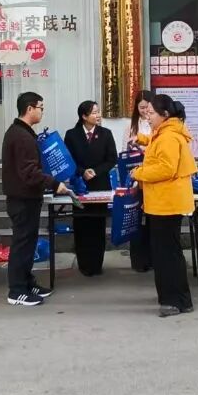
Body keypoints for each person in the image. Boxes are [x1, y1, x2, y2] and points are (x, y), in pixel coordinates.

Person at [130, 94, 197, 317]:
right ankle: (180, 299)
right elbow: (155, 144)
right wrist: (141, 139)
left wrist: (138, 173)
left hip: (166, 203)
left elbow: (166, 168)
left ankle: (174, 301)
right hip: (165, 202)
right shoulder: (166, 132)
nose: (147, 117)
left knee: (166, 255)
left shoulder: (168, 136)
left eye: (151, 113)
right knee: (169, 252)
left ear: (165, 115)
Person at [1, 91, 68, 307]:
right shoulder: (21, 136)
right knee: (22, 244)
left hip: (27, 198)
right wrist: (54, 183)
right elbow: (29, 172)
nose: (42, 112)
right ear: (29, 109)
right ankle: (17, 290)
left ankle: (27, 282)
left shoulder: (23, 133)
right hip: (22, 200)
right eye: (41, 108)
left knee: (28, 243)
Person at [64, 101, 118, 276]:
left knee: (97, 226)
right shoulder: (72, 135)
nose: (98, 115)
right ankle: (84, 265)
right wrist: (82, 172)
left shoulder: (105, 134)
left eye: (98, 112)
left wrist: (96, 171)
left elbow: (112, 159)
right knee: (81, 225)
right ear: (84, 116)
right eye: (94, 112)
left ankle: (96, 264)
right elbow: (68, 159)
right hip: (80, 186)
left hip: (100, 185)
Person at [125, 90, 155, 273]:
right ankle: (138, 260)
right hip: (136, 177)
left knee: (152, 221)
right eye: (141, 107)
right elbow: (124, 152)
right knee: (136, 219)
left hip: (153, 177)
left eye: (147, 108)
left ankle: (153, 258)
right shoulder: (132, 125)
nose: (144, 111)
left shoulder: (157, 124)